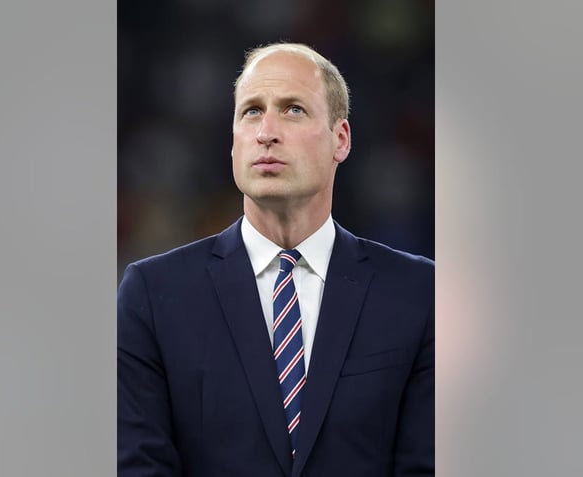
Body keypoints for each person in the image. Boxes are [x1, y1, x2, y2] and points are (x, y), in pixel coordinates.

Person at [118, 42, 434, 476]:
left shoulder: (419, 293)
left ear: (340, 139)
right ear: (233, 143)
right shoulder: (153, 295)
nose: (266, 131)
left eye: (293, 110)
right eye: (251, 111)